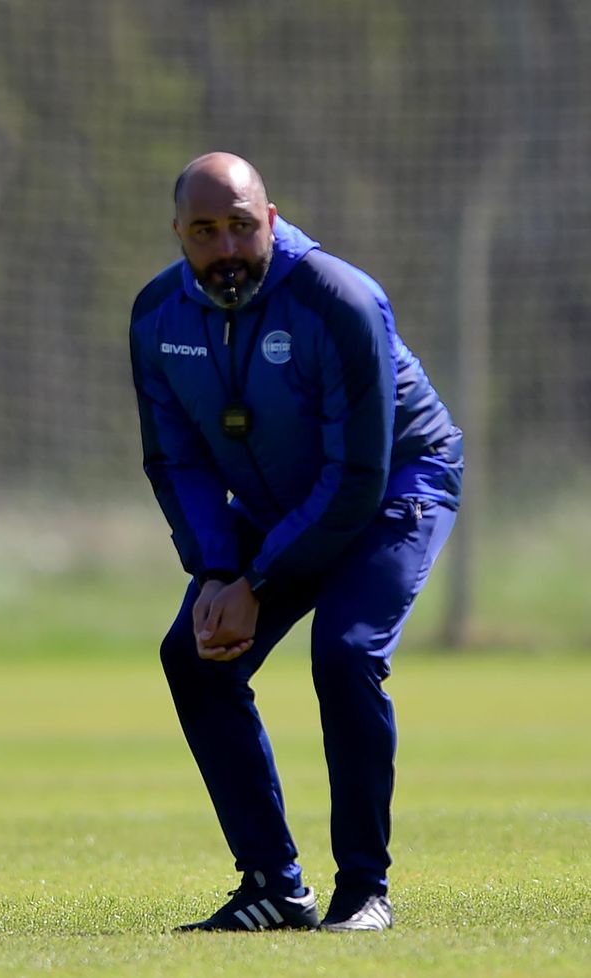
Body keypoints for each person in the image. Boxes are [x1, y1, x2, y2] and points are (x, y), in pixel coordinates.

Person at [129, 153, 463, 932]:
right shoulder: (156, 316)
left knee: (345, 655)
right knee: (194, 657)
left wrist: (258, 582)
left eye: (241, 226)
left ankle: (364, 891)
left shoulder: (339, 300)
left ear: (272, 220)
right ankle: (273, 888)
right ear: (178, 233)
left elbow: (357, 475)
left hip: (394, 486)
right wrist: (219, 571)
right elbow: (175, 460)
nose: (226, 247)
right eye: (205, 231)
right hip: (285, 499)